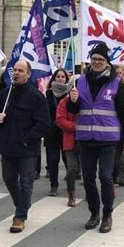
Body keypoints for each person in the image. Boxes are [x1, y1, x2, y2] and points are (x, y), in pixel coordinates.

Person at [67, 43, 124, 233]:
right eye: (94, 58)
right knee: (88, 179)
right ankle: (94, 213)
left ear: (107, 62)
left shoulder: (116, 83)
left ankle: (107, 214)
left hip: (108, 140)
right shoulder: (80, 81)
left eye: (101, 59)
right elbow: (73, 110)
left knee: (105, 177)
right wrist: (72, 101)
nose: (97, 62)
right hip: (86, 139)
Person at [0, 60, 50, 233]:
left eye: (20, 71)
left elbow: (43, 123)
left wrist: (28, 139)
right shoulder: (4, 94)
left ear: (28, 74)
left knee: (26, 182)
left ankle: (20, 217)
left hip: (27, 148)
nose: (16, 73)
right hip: (8, 145)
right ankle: (22, 204)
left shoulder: (36, 96)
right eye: (14, 71)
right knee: (9, 179)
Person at [44, 68, 69, 196]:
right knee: (53, 161)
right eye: (58, 77)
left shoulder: (70, 94)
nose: (60, 79)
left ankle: (71, 184)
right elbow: (45, 112)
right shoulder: (48, 94)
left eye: (63, 77)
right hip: (52, 132)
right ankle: (54, 185)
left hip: (66, 132)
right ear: (54, 78)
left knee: (68, 161)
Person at [56, 77, 80, 207]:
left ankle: (90, 191)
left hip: (86, 138)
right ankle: (71, 193)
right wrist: (75, 126)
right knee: (72, 168)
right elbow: (60, 120)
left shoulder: (86, 101)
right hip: (70, 139)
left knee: (89, 169)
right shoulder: (63, 103)